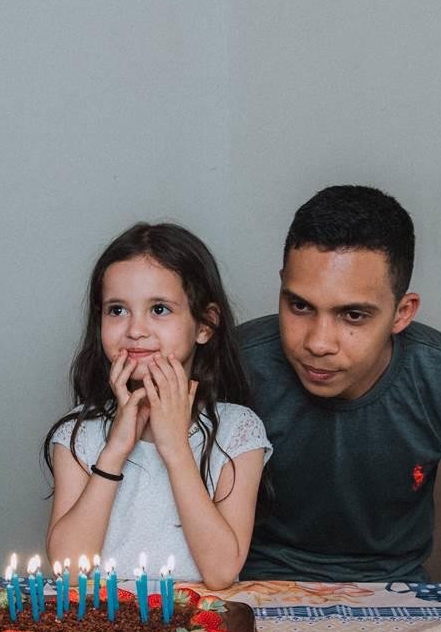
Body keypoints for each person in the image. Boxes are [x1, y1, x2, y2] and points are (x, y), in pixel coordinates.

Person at [239, 185, 441, 583]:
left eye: (353, 315)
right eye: (300, 305)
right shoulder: (233, 366)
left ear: (402, 313)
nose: (318, 343)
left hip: (395, 591)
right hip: (251, 585)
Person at [44, 222, 271, 589]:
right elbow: (67, 571)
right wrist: (114, 451)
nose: (135, 330)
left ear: (205, 325)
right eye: (117, 310)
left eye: (160, 309)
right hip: (103, 620)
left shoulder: (239, 431)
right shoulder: (78, 433)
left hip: (195, 620)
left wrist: (175, 448)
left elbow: (220, 573)